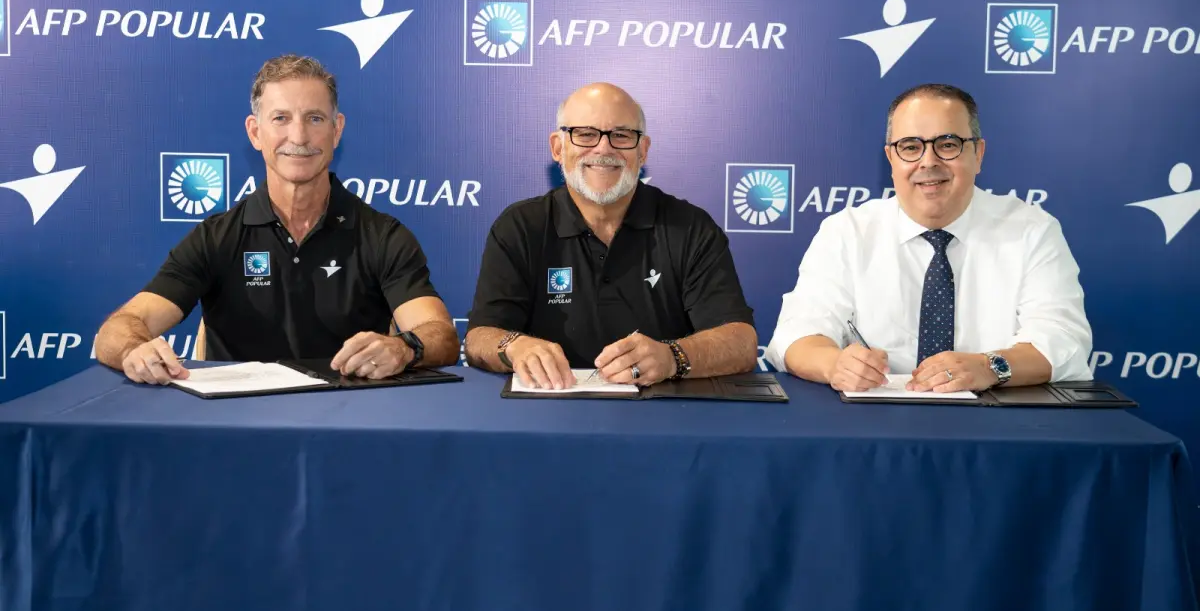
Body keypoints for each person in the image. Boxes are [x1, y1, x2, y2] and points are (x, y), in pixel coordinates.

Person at [96, 54, 458, 384]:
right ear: (255, 132)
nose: (298, 136)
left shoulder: (383, 236)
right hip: (238, 423)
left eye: (314, 118)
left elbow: (440, 334)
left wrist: (404, 348)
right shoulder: (216, 238)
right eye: (281, 118)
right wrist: (134, 350)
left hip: (349, 421)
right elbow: (119, 329)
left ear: (337, 130)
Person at [765, 83, 1093, 393]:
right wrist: (835, 365)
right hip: (873, 421)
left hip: (997, 420)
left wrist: (989, 367)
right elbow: (795, 336)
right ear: (891, 159)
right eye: (910, 147)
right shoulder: (847, 232)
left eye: (947, 145)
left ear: (978, 154)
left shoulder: (1032, 230)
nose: (928, 161)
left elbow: (1063, 341)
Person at [464, 83, 758, 390]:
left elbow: (741, 342)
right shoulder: (520, 226)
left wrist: (672, 357)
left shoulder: (690, 227)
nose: (603, 149)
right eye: (585, 134)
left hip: (664, 412)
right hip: (548, 406)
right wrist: (514, 346)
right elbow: (479, 337)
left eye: (621, 135)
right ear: (557, 148)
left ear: (643, 150)